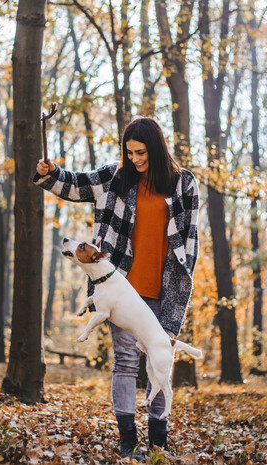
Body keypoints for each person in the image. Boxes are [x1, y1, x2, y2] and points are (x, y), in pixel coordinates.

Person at [32, 116, 199, 458]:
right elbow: (76, 184)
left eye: (141, 153)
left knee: (158, 367)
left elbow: (190, 241)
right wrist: (51, 173)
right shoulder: (115, 177)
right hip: (122, 289)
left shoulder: (184, 184)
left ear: (156, 149)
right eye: (130, 152)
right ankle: (128, 442)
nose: (134, 159)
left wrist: (180, 290)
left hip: (165, 290)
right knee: (124, 362)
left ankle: (158, 442)